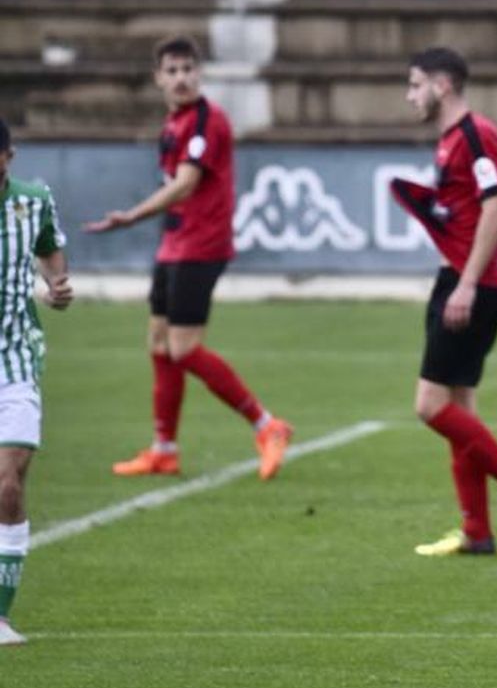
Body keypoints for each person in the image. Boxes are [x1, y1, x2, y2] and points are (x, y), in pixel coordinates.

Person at [86, 36, 293, 481]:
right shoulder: (175, 122)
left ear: (199, 73)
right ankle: (164, 449)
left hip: (201, 246)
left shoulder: (206, 122)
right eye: (172, 71)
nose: (181, 78)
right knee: (159, 343)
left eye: (188, 69)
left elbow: (185, 183)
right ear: (159, 78)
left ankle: (267, 425)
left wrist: (133, 216)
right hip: (174, 244)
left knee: (183, 347)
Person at [393, 47, 497, 556]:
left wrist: (466, 281)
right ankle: (476, 531)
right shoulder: (449, 142)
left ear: (442, 85)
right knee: (460, 408)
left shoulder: (474, 134)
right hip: (459, 279)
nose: (409, 95)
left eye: (416, 84)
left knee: (430, 405)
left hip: (472, 287)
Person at [0, 118, 74, 645]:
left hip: (15, 357)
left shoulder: (32, 201)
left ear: (9, 156)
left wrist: (56, 285)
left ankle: (0, 615)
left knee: (9, 479)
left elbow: (49, 254)